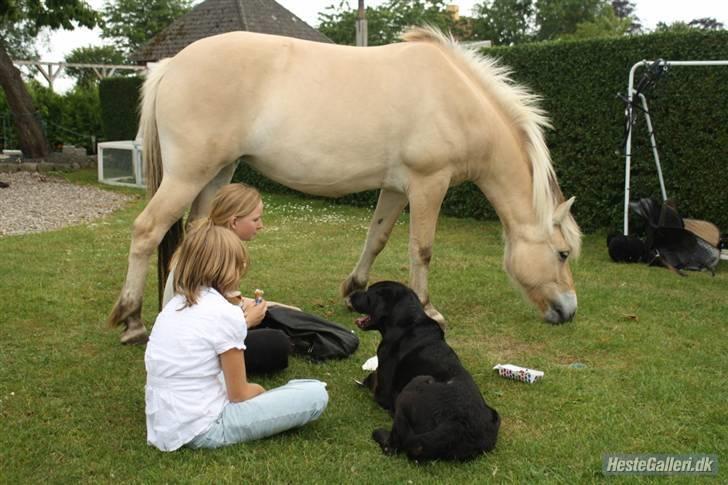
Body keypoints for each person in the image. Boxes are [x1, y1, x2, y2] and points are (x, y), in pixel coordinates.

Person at [145, 222, 328, 451]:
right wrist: (260, 391)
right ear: (227, 269)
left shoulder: (174, 306)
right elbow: (239, 394)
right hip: (203, 428)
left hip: (164, 424)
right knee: (315, 393)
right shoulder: (224, 313)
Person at [162, 183, 294, 374]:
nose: (261, 225)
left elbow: (216, 303)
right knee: (277, 343)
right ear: (234, 222)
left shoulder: (203, 240)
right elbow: (214, 324)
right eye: (256, 219)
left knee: (274, 320)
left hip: (180, 335)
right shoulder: (221, 255)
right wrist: (248, 320)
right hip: (192, 349)